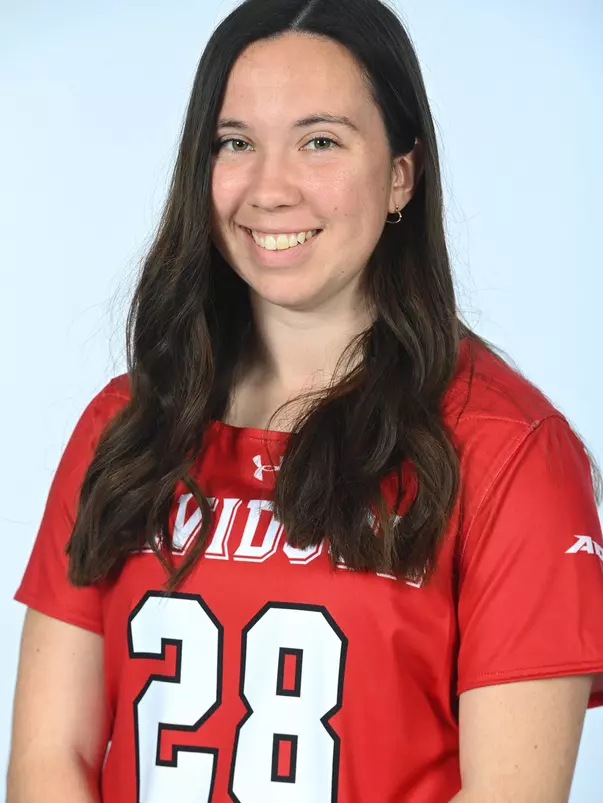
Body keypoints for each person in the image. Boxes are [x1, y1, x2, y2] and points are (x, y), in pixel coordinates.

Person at [7, 0, 603, 801]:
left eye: (319, 141)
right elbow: (50, 757)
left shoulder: (507, 448)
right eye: (235, 143)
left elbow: (509, 791)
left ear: (400, 175)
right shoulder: (125, 426)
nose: (269, 187)